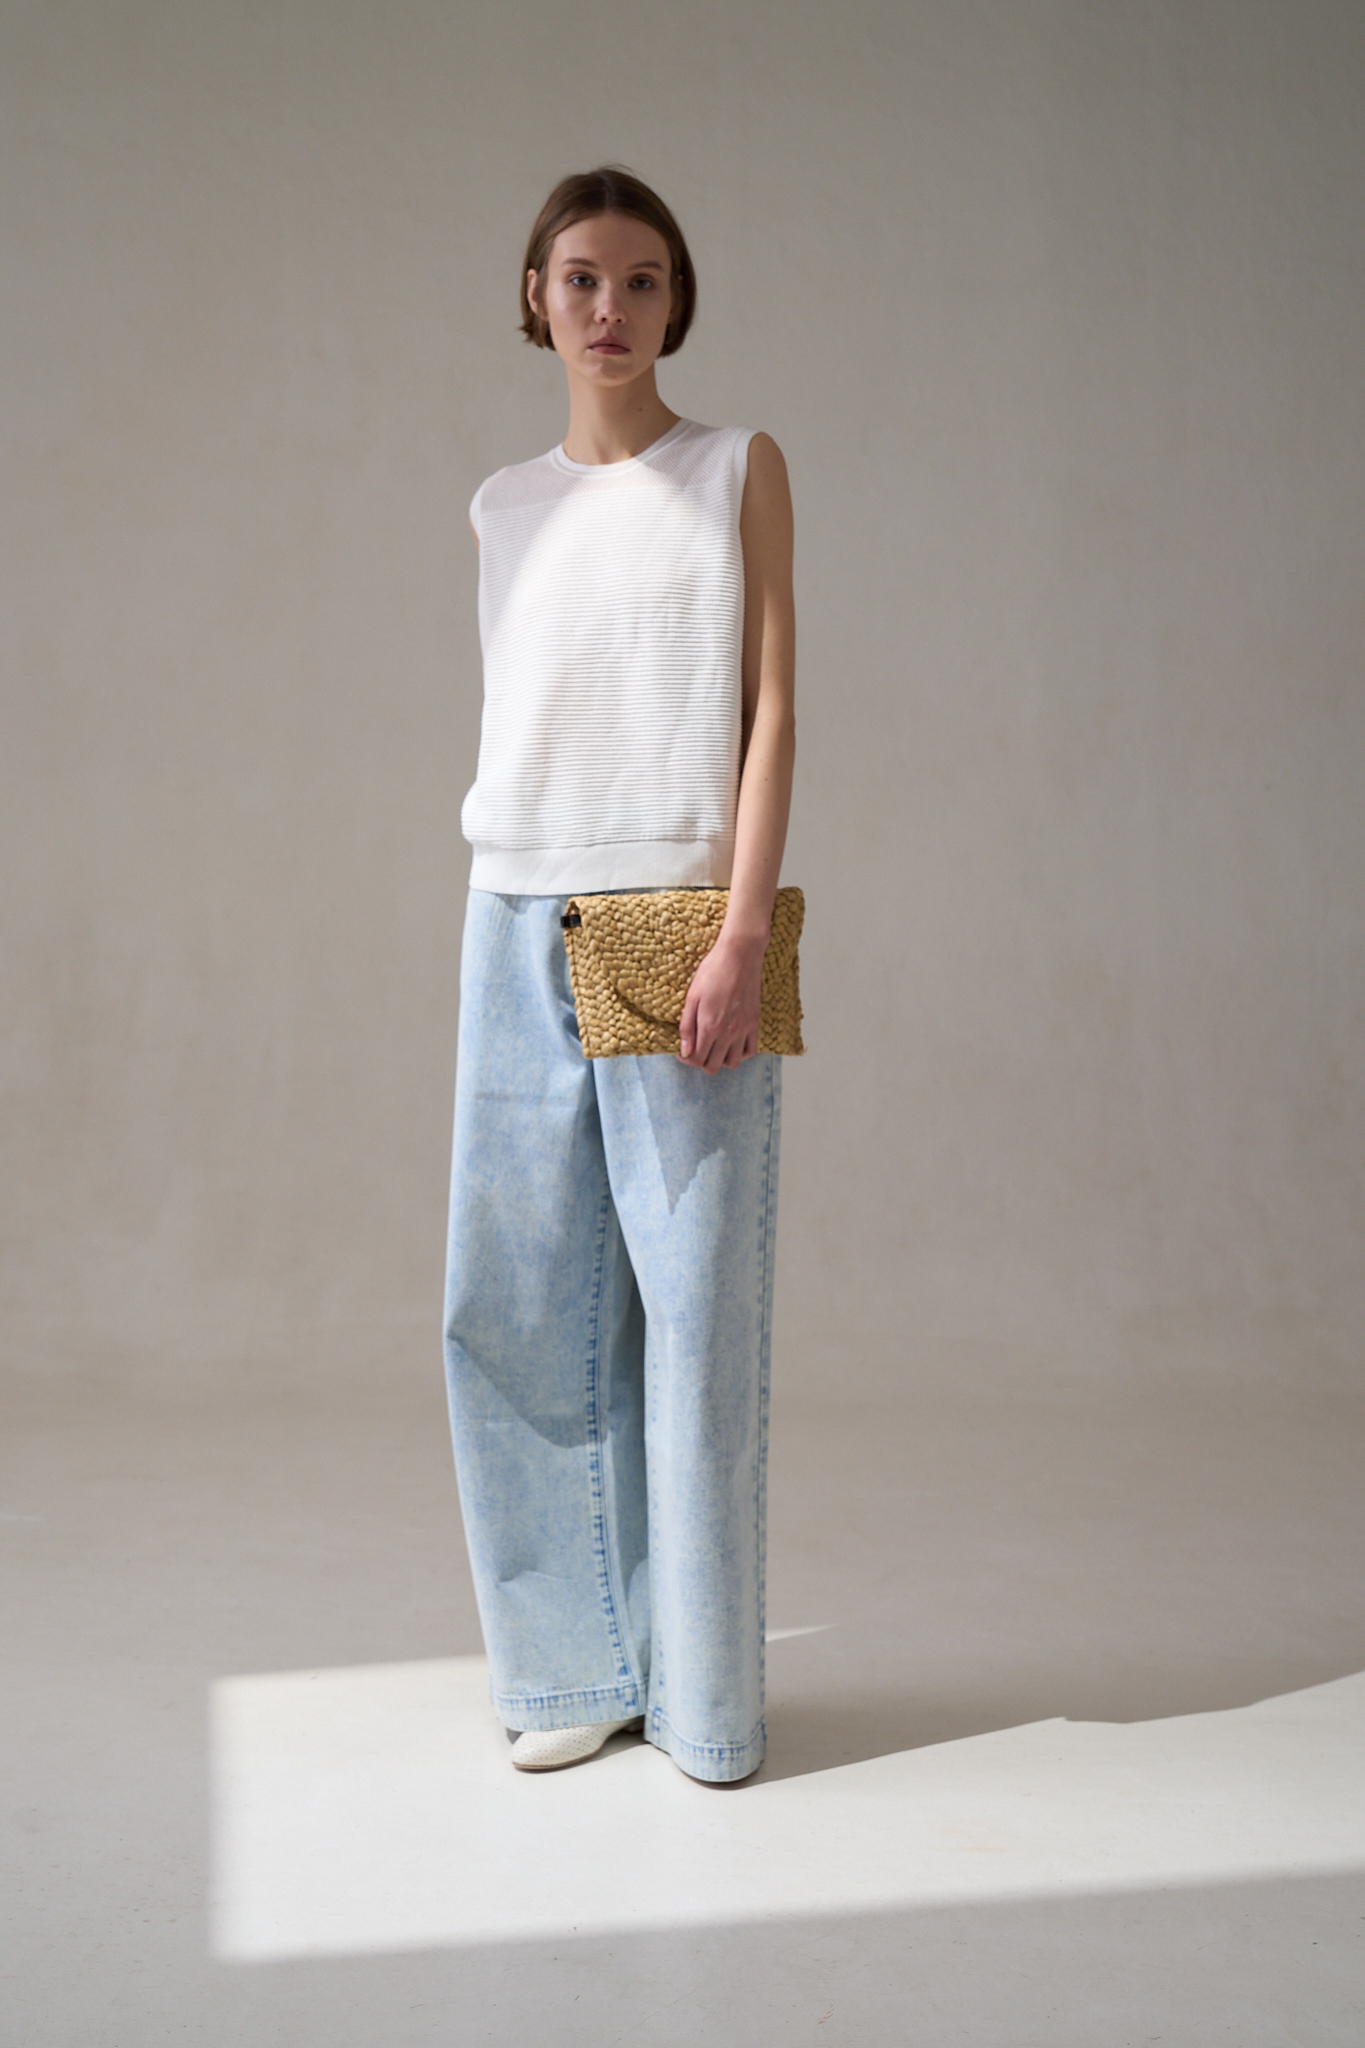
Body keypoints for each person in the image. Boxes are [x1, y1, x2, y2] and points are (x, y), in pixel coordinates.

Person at [442, 166, 796, 1783]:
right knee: (513, 1309)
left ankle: (708, 1700)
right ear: (536, 296)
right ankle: (569, 1669)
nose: (609, 307)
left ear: (676, 301)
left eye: (641, 280)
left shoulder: (735, 467)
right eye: (580, 277)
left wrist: (740, 927)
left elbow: (770, 707)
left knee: (694, 1317)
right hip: (511, 904)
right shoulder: (500, 505)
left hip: (674, 909)